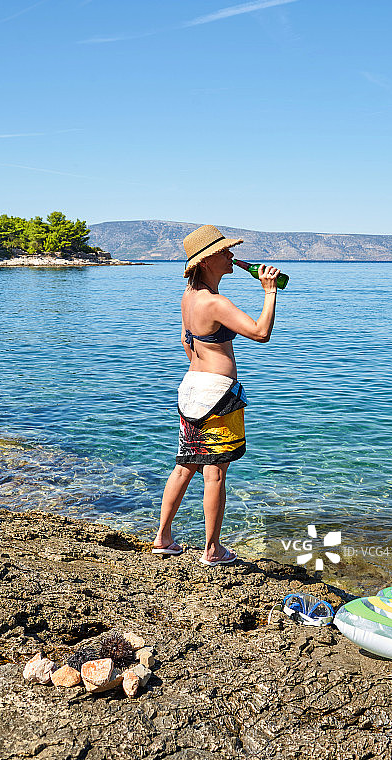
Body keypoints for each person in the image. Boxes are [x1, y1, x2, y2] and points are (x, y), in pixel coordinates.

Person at [152, 224, 280, 566]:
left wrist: (203, 366)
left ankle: (162, 537)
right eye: (225, 251)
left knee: (185, 467)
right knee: (215, 474)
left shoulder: (189, 297)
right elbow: (260, 332)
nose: (232, 256)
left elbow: (185, 339)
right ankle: (212, 550)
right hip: (217, 394)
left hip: (190, 388)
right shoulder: (215, 302)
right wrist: (269, 291)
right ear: (207, 260)